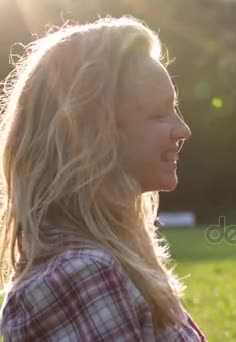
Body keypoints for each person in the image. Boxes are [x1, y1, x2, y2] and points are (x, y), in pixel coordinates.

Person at [0, 16, 205, 341]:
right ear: (94, 132)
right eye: (160, 113)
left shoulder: (111, 261)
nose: (183, 130)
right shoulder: (81, 275)